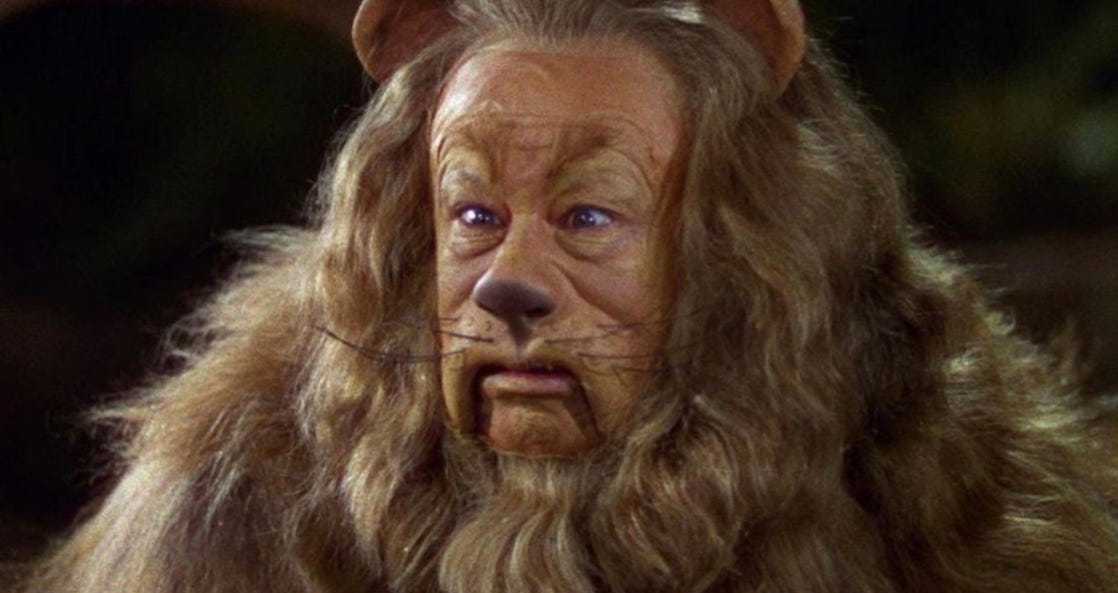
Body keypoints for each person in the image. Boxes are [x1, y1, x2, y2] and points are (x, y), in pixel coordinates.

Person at [18, 1, 1118, 591]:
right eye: (472, 213)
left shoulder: (946, 486)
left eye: (589, 216)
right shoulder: (233, 492)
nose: (509, 283)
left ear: (748, 262)